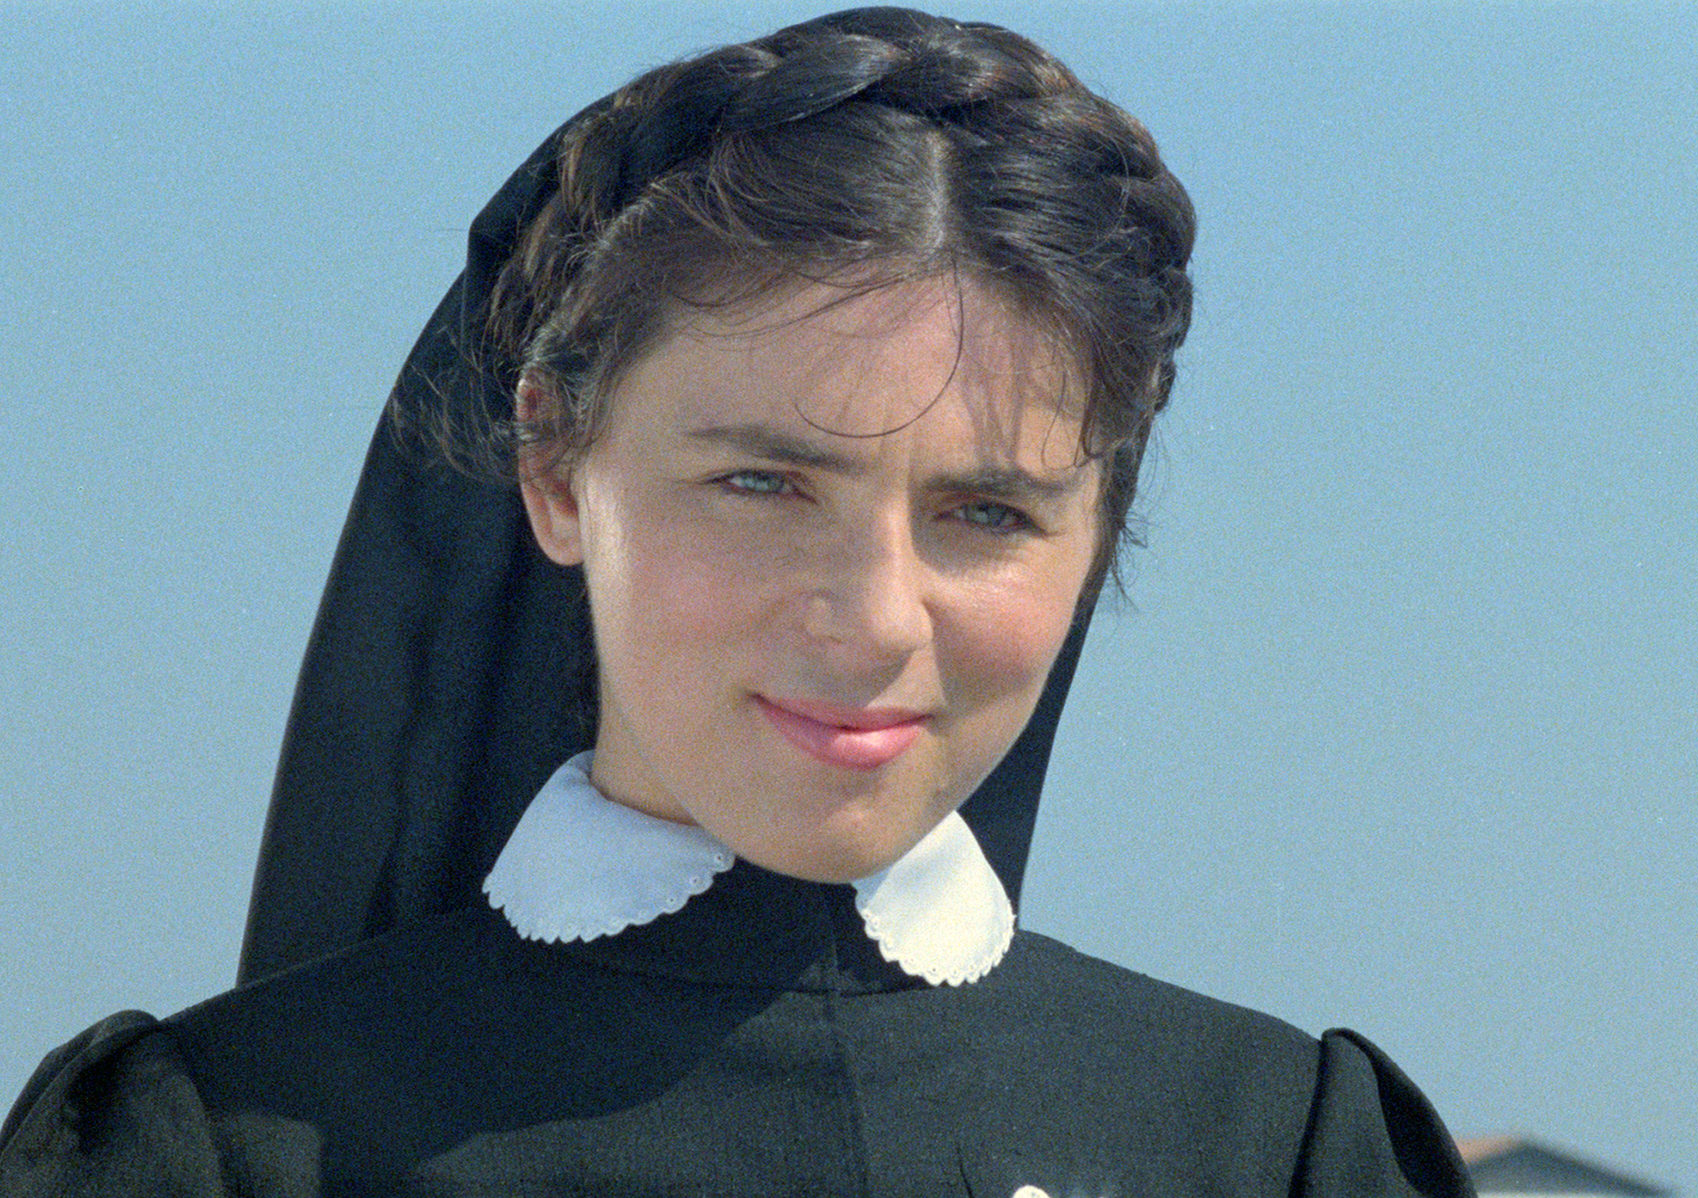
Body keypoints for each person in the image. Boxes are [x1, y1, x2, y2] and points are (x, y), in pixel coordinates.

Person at [0, 8, 1473, 1195]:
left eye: (986, 513)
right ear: (556, 470)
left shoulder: (1274, 1148)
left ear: (1097, 537)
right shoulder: (225, 1147)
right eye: (762, 484)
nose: (874, 619)